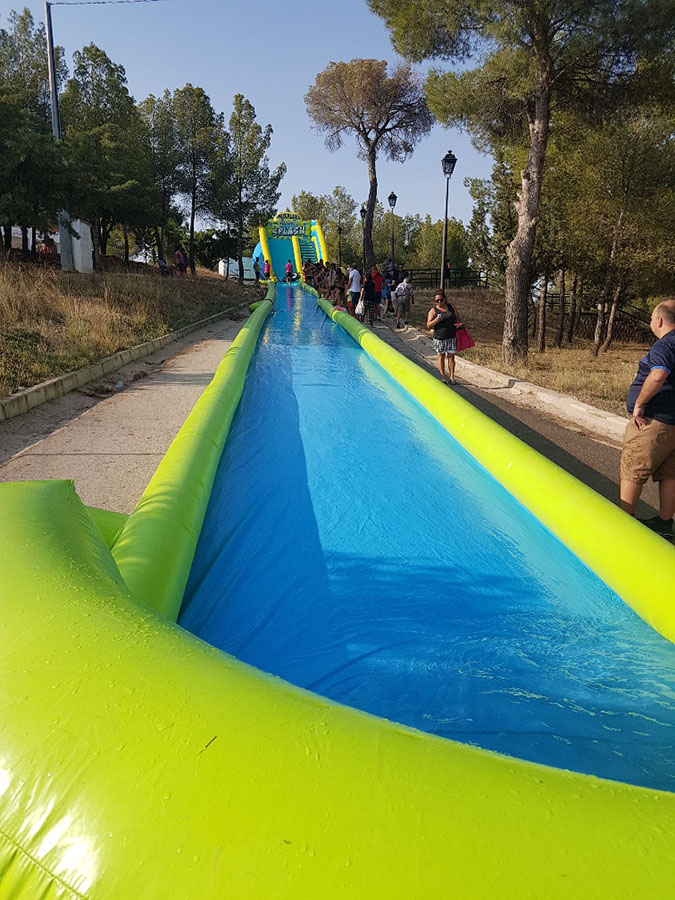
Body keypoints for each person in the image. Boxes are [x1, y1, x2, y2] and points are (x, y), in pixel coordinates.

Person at [619, 299, 675, 538]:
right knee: (670, 474)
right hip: (672, 422)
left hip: (653, 421)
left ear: (659, 320)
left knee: (633, 469)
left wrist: (639, 404)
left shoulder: (665, 345)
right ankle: (664, 525)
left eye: (652, 318)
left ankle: (624, 524)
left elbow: (658, 374)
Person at [427, 290, 460, 384]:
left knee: (451, 356)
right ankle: (443, 377)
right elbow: (428, 325)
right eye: (437, 301)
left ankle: (452, 377)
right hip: (439, 337)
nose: (439, 302)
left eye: (441, 300)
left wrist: (458, 324)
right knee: (441, 356)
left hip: (451, 335)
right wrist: (436, 320)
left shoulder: (451, 307)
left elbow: (457, 318)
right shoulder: (433, 311)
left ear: (445, 299)